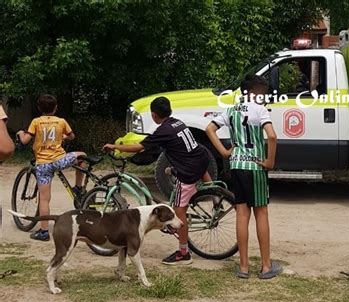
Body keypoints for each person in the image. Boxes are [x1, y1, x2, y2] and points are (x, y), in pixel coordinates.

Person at [103, 96, 210, 265]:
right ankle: (214, 194)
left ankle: (184, 253)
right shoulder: (177, 122)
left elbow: (139, 147)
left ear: (154, 115)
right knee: (179, 176)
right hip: (201, 160)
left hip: (188, 171)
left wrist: (116, 147)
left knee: (178, 211)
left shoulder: (163, 131)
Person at [206, 74, 282, 279]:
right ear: (252, 92)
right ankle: (266, 266)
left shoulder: (230, 110)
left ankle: (244, 267)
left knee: (241, 214)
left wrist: (223, 152)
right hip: (256, 167)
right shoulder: (260, 110)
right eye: (262, 94)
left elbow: (209, 129)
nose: (264, 97)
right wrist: (269, 162)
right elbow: (272, 136)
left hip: (237, 166)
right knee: (261, 214)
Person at [17, 94, 86, 241]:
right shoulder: (61, 121)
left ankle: (43, 231)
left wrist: (20, 133)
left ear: (39, 108)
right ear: (56, 108)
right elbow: (72, 136)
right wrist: (63, 137)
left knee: (44, 199)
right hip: (60, 160)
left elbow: (25, 140)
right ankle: (79, 188)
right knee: (82, 157)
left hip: (43, 165)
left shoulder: (36, 122)